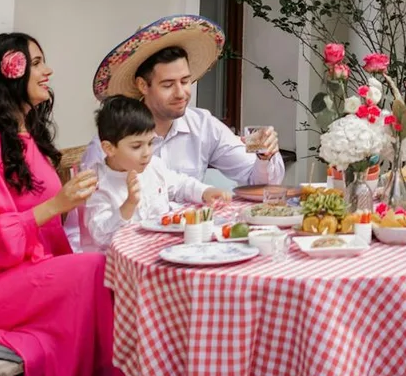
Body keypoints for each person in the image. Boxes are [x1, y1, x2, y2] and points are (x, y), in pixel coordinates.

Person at [0, 33, 119, 376]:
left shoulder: (26, 135)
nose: (47, 70)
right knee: (97, 269)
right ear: (8, 73)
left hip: (33, 273)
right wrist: (56, 204)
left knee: (113, 271)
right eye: (36, 63)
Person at [66, 15, 283, 248]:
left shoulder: (203, 125)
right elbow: (82, 230)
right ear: (142, 85)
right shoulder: (109, 147)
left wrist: (264, 155)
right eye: (168, 85)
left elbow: (257, 181)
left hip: (185, 247)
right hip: (121, 257)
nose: (181, 93)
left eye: (186, 81)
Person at [76, 95, 230, 253]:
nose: (147, 153)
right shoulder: (96, 183)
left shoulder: (153, 166)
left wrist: (205, 192)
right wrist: (129, 204)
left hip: (156, 250)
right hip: (117, 264)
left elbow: (180, 184)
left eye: (150, 143)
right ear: (109, 148)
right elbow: (101, 237)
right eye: (136, 146)